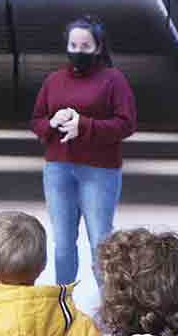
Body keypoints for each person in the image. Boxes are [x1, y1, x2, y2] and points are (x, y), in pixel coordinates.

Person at [30, 17, 138, 287]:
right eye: (73, 45)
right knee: (63, 242)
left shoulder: (113, 80)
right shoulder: (54, 80)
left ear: (98, 47)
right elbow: (37, 122)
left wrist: (85, 125)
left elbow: (126, 124)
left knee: (101, 241)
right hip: (58, 168)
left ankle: (111, 303)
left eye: (85, 46)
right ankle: (63, 300)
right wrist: (52, 122)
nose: (78, 51)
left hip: (99, 170)